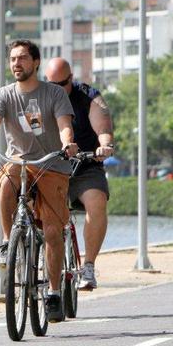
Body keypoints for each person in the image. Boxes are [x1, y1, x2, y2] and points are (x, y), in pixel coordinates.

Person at [0, 40, 77, 323]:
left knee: (54, 232)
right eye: (12, 59)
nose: (16, 64)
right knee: (6, 181)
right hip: (19, 164)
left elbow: (64, 125)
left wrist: (68, 144)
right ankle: (9, 240)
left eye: (22, 58)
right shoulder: (4, 95)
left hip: (52, 165)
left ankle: (54, 292)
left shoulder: (54, 93)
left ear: (36, 62)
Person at [44, 58, 114, 290]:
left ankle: (89, 266)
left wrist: (104, 145)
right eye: (51, 85)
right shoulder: (39, 96)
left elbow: (102, 125)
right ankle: (25, 255)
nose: (56, 91)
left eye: (61, 85)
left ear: (71, 79)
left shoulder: (88, 96)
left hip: (85, 164)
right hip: (49, 166)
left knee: (96, 202)